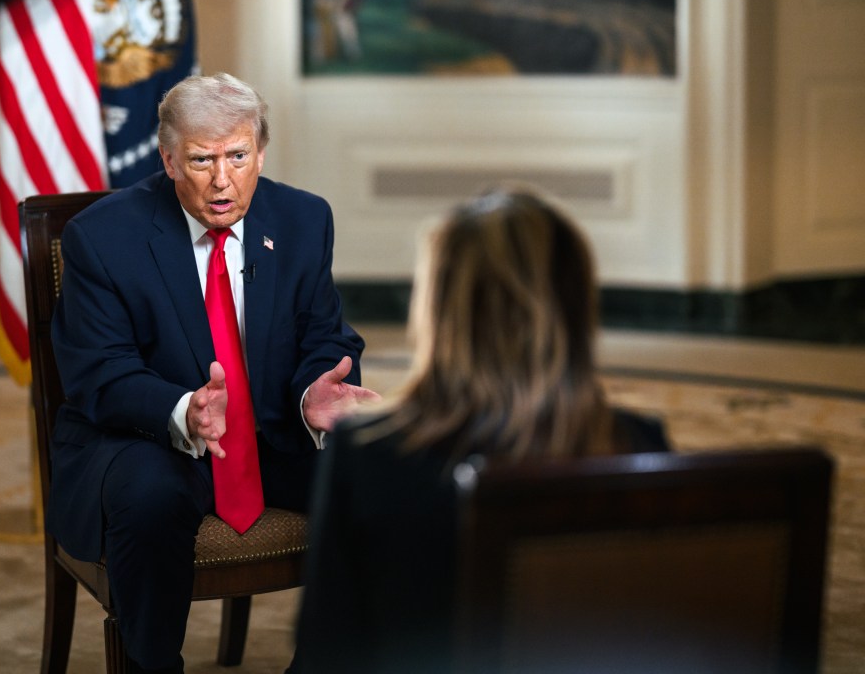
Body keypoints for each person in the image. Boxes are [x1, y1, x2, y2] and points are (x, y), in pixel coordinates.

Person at [48, 72, 379, 673]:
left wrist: (311, 394)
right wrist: (183, 410)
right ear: (169, 160)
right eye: (202, 160)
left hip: (273, 430)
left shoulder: (303, 219)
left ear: (260, 152)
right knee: (147, 499)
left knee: (382, 478)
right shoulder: (101, 237)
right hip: (150, 437)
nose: (222, 180)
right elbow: (98, 372)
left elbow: (323, 335)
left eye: (237, 156)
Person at [292, 183, 670, 673]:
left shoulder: (369, 456)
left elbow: (329, 654)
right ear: (575, 308)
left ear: (438, 309)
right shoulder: (638, 444)